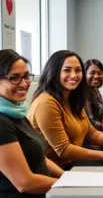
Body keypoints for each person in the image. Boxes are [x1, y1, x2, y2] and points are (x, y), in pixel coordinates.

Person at [27, 50, 103, 169]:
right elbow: (64, 150)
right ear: (54, 72)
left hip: (72, 162)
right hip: (57, 169)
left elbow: (90, 132)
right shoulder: (46, 103)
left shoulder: (72, 98)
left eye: (78, 70)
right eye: (67, 70)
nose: (74, 75)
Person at [0, 49, 64, 198]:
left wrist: (67, 177)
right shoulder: (2, 123)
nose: (24, 84)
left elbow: (39, 157)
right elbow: (25, 183)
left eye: (26, 76)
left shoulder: (17, 112)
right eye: (14, 78)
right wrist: (69, 184)